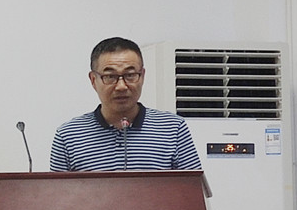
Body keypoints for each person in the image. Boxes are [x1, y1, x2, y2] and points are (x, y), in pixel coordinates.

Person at [50, 37, 202, 172]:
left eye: (130, 75)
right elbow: (57, 194)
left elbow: (194, 190)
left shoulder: (173, 128)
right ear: (93, 80)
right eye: (110, 76)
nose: (121, 86)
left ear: (142, 76)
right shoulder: (68, 136)